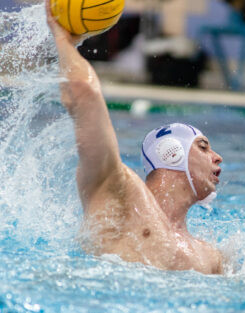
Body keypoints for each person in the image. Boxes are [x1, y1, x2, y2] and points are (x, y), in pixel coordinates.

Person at [45, 1, 224, 274]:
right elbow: (84, 94)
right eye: (202, 147)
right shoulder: (120, 193)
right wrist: (64, 41)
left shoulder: (210, 256)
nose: (217, 156)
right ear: (171, 152)